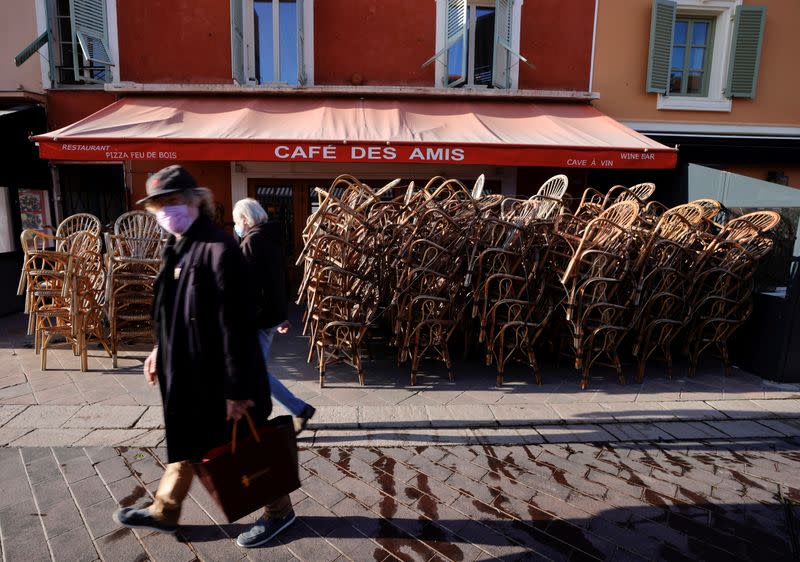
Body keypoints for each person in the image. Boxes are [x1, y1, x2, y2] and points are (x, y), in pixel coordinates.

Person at [112, 165, 296, 548]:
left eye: (173, 202)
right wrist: (159, 349)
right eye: (159, 205)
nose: (166, 211)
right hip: (189, 375)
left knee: (242, 448)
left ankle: (280, 512)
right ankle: (165, 510)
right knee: (189, 443)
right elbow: (173, 311)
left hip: (221, 379)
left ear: (196, 202)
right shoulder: (178, 247)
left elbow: (236, 326)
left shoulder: (219, 248)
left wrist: (236, 390)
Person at [233, 198, 316, 434]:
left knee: (255, 372)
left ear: (245, 219)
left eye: (237, 220)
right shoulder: (272, 240)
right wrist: (281, 314)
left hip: (258, 319)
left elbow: (247, 288)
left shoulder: (252, 242)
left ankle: (298, 409)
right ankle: (297, 409)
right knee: (256, 371)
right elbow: (280, 281)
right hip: (269, 316)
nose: (236, 225)